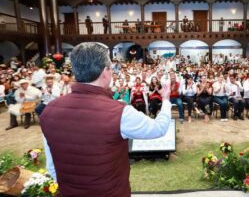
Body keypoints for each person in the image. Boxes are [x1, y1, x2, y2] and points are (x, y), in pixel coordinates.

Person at [40, 43, 171, 196]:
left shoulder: (49, 111)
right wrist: (166, 100)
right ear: (105, 72)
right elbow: (158, 128)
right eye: (110, 68)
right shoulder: (120, 112)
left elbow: (52, 166)